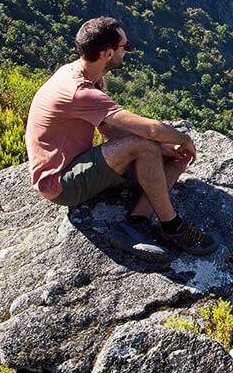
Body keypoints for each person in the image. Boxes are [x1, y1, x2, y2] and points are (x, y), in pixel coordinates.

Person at [25, 16, 219, 256]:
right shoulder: (80, 91)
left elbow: (107, 129)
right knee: (146, 144)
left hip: (78, 163)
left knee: (173, 158)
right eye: (125, 47)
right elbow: (152, 130)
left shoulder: (87, 76)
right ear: (108, 54)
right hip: (61, 183)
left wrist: (164, 150)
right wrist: (183, 139)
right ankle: (172, 226)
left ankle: (137, 220)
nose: (128, 51)